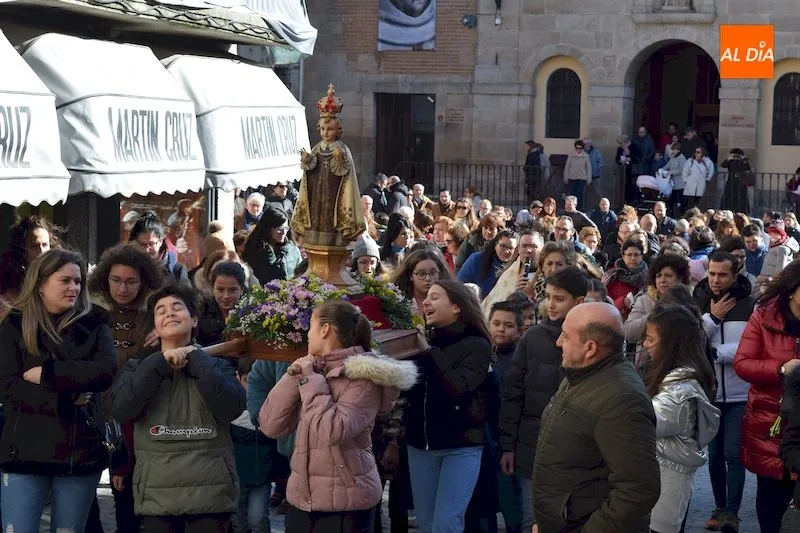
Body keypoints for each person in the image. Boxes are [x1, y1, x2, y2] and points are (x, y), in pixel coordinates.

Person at [261, 300, 417, 533]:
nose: (307, 335)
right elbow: (270, 425)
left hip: (347, 505)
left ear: (324, 330)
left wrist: (309, 380)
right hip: (302, 501)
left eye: (310, 327)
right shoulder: (310, 369)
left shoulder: (363, 377)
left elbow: (333, 430)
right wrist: (295, 376)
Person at [106, 284, 246, 533]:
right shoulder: (138, 368)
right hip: (157, 495)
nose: (169, 313)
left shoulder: (216, 366)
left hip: (211, 495)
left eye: (177, 308)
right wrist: (157, 366)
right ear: (155, 327)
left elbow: (232, 408)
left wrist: (199, 361)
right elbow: (121, 409)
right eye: (161, 311)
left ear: (193, 319)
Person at [0, 249, 118, 532]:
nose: (74, 288)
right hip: (24, 450)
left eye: (78, 281)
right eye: (65, 280)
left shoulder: (94, 322)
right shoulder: (15, 324)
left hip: (78, 451)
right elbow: (7, 385)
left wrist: (49, 374)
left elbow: (105, 371)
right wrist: (65, 399)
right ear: (41, 284)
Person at [531, 302, 660, 532]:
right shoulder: (581, 374)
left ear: (590, 348)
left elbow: (637, 489)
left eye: (565, 336)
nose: (558, 342)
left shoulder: (621, 398)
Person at [500, 267, 588, 533]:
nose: (550, 304)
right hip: (532, 448)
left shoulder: (591, 340)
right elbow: (513, 395)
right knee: (533, 522)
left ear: (579, 302)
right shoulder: (532, 338)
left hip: (576, 453)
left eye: (559, 298)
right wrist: (508, 446)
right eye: (548, 296)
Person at [404, 280, 494, 533]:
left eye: (435, 297)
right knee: (427, 523)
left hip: (460, 447)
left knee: (446, 524)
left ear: (456, 306)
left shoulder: (477, 345)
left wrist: (429, 352)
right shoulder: (422, 341)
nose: (426, 302)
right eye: (426, 298)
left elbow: (458, 387)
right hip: (420, 446)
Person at [734, 261, 800, 533]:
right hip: (769, 423)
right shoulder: (764, 316)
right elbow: (742, 363)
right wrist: (780, 369)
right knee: (771, 505)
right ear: (793, 289)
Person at [693, 251, 756, 532]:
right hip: (710, 392)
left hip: (740, 392)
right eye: (712, 274)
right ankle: (719, 508)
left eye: (723, 275)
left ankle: (732, 512)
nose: (716, 280)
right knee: (715, 455)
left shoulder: (750, 305)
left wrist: (717, 352)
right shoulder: (698, 300)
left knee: (733, 453)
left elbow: (750, 348)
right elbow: (690, 342)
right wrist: (712, 318)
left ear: (735, 274)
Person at [643, 305, 720, 533]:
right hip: (661, 492)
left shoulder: (681, 392)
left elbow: (641, 419)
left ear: (670, 344)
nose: (645, 345)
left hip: (663, 499)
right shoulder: (677, 378)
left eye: (650, 339)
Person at [292, 85, 366, 247]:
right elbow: (309, 173)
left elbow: (344, 174)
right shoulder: (317, 148)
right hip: (317, 197)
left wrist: (340, 159)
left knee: (331, 220)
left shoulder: (342, 149)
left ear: (338, 130)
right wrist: (307, 161)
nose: (325, 133)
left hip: (335, 196)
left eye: (330, 129)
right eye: (323, 129)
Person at [624, 254, 691, 366]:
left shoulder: (689, 301)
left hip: (682, 363)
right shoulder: (644, 301)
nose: (662, 280)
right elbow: (629, 333)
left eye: (668, 275)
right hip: (648, 366)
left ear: (680, 279)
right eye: (658, 276)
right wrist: (658, 312)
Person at [231, 358, 274, 533]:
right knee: (239, 523)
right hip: (236, 477)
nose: (251, 386)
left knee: (258, 519)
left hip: (261, 476)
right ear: (238, 377)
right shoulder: (230, 406)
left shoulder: (270, 408)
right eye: (247, 380)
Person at [0, 215, 60, 315]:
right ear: (22, 248)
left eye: (45, 245)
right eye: (35, 246)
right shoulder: (9, 279)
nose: (42, 251)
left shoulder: (59, 274)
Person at [241, 205, 302, 283]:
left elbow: (300, 275)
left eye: (286, 228)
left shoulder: (292, 250)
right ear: (268, 228)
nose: (283, 232)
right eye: (279, 229)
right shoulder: (256, 250)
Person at [129, 212, 190, 286]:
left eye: (151, 244)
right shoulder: (127, 267)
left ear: (161, 241)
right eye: (142, 244)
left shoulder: (176, 270)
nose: (147, 249)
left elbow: (187, 296)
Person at [457, 230, 519, 300]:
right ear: (496, 244)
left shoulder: (517, 267)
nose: (506, 251)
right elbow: (460, 284)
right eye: (503, 246)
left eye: (511, 248)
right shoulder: (477, 259)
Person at [602, 238, 649, 319]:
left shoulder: (650, 276)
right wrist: (622, 302)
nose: (633, 258)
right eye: (629, 255)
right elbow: (604, 302)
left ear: (642, 256)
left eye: (636, 255)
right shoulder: (611, 276)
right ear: (623, 256)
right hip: (615, 318)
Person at [682, 146, 715, 211]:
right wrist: (685, 180)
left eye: (698, 152)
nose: (696, 153)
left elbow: (711, 171)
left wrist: (707, 180)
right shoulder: (690, 161)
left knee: (699, 204)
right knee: (689, 205)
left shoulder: (708, 162)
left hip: (701, 185)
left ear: (703, 153)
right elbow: (685, 171)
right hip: (690, 185)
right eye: (695, 152)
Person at [563, 140, 593, 210]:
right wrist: (565, 177)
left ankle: (580, 209)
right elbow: (567, 166)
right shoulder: (571, 155)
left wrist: (589, 179)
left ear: (582, 148)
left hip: (582, 178)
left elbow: (588, 168)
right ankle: (571, 208)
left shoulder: (586, 156)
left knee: (580, 195)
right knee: (572, 194)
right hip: (572, 177)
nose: (578, 150)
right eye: (577, 148)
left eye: (580, 148)